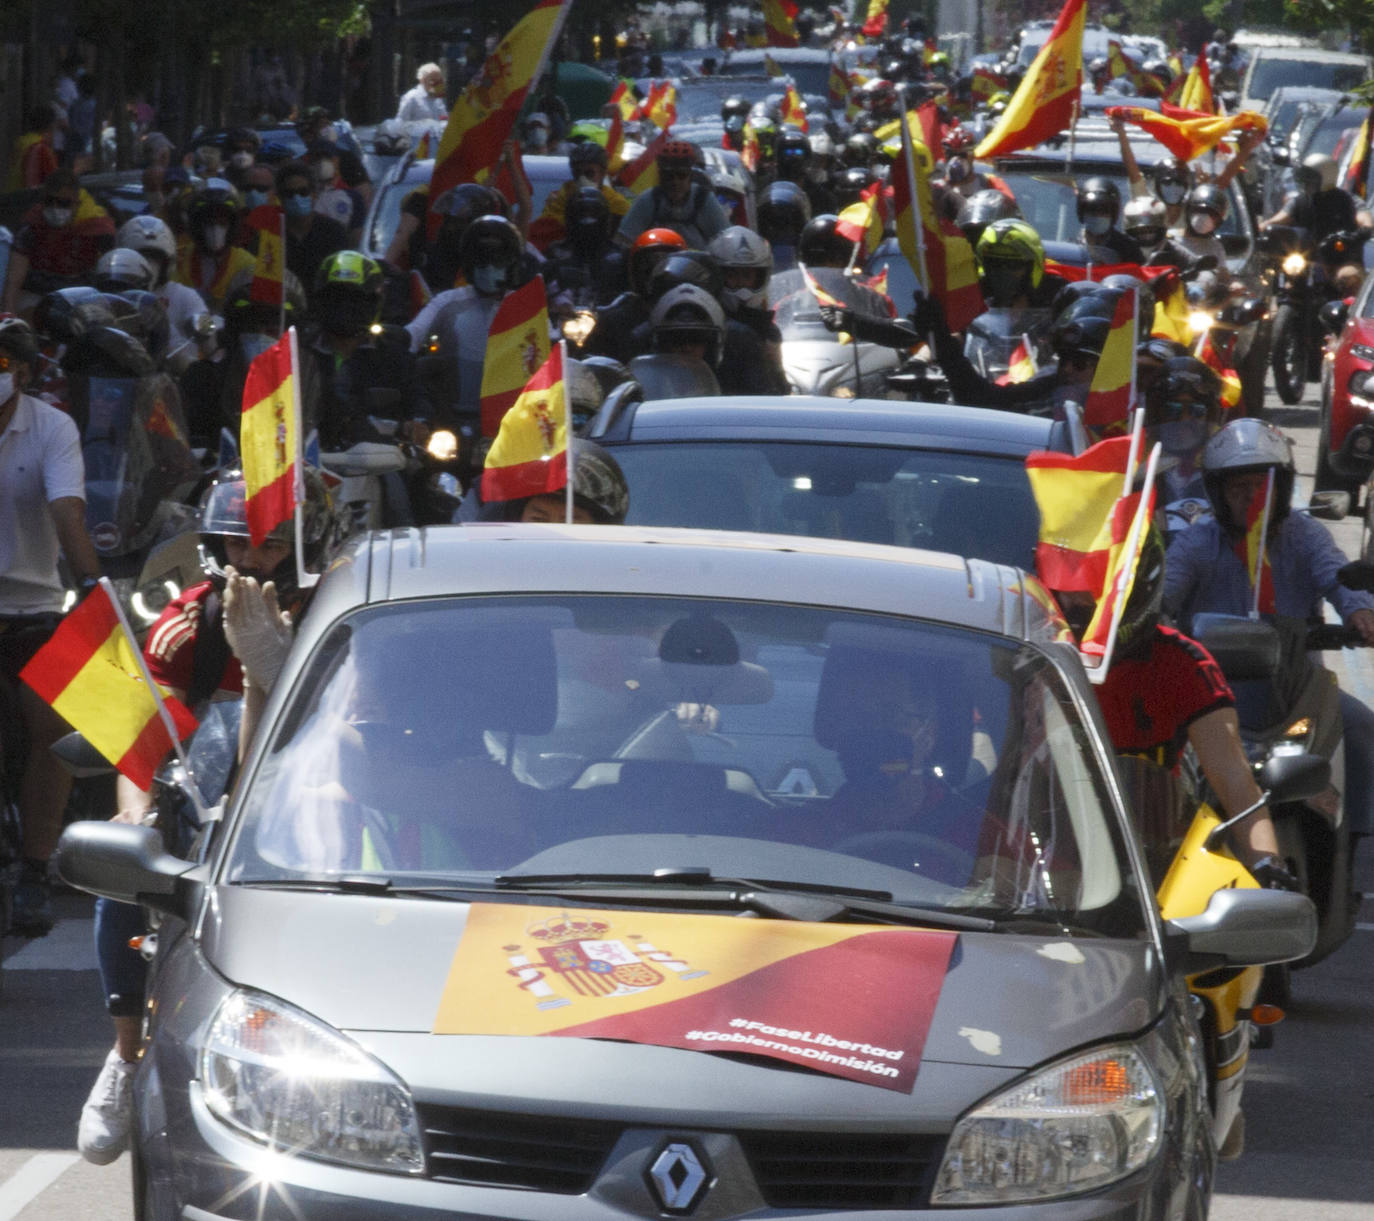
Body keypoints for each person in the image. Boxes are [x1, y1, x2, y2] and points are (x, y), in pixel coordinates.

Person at [75, 473, 317, 1165]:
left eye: (273, 544)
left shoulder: (332, 616)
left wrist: (276, 659)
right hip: (203, 811)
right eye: (242, 539)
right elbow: (141, 744)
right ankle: (125, 1054)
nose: (255, 557)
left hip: (308, 813)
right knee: (122, 873)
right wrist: (135, 817)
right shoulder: (186, 622)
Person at [1163, 419, 1374, 849]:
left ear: (1283, 488)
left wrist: (1360, 611)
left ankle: (1360, 853)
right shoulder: (1196, 543)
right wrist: (1153, 622)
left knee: (1362, 728)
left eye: (1262, 485)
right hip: (1210, 695)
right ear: (1217, 492)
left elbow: (1336, 576)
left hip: (1297, 690)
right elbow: (1166, 593)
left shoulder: (1305, 534)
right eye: (1239, 487)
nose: (1251, 497)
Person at [1048, 525, 1286, 878]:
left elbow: (1235, 780)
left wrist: (1268, 865)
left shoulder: (1182, 663)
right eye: (1073, 591)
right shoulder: (1038, 655)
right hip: (1051, 854)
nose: (1083, 606)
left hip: (1158, 858)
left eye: (1098, 590)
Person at [0, 316, 102, 934]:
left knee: (58, 733)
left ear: (27, 373)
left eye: (5, 363)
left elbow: (67, 511)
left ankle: (38, 867)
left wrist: (93, 585)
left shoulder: (51, 427)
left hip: (37, 607)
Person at [2, 168, 116, 313]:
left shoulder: (97, 229)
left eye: (63, 203)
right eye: (50, 201)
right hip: (37, 297)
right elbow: (14, 281)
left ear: (77, 204)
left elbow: (110, 276)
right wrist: (9, 319)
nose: (55, 208)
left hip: (82, 300)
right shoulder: (31, 227)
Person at [616, 141, 730, 250]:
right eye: (668, 176)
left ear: (690, 175)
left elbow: (726, 241)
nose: (675, 182)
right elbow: (624, 241)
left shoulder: (704, 199)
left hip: (696, 268)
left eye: (681, 175)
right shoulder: (648, 200)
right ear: (660, 176)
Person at [271, 160, 350, 306]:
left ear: (314, 194)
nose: (297, 198)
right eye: (290, 194)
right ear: (280, 198)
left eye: (303, 192)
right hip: (283, 312)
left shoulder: (333, 232)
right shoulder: (270, 234)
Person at [172, 179, 256, 312]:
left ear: (232, 227)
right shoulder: (177, 260)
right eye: (209, 224)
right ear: (196, 226)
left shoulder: (247, 265)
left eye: (222, 224)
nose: (216, 230)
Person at [532, 141, 630, 251]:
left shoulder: (618, 204)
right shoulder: (560, 198)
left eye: (589, 173)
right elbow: (543, 233)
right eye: (577, 173)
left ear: (602, 174)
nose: (582, 179)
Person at [1076, 176, 1144, 263]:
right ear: (1081, 212)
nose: (1098, 216)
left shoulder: (1129, 248)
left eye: (1104, 211)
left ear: (1113, 215)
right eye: (1092, 211)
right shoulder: (1070, 248)